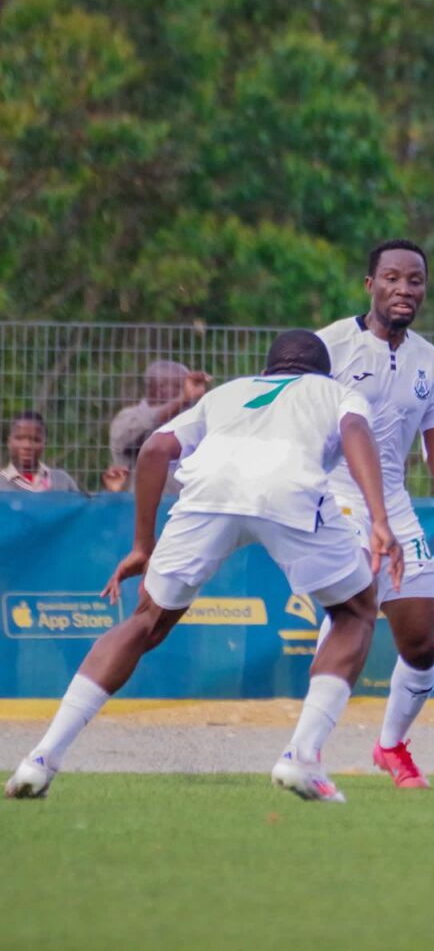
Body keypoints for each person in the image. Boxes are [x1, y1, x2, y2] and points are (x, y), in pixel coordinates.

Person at [5, 330, 402, 803]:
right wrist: (379, 519)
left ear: (268, 371)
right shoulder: (336, 392)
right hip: (289, 490)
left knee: (146, 621)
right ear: (323, 373)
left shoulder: (228, 393)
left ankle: (41, 758)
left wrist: (142, 544)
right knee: (355, 612)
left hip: (208, 492)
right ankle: (302, 757)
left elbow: (155, 449)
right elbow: (356, 431)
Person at [315, 240, 434, 789]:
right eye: (391, 278)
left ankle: (390, 745)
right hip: (333, 495)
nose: (404, 289)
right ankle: (307, 749)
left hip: (396, 504)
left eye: (415, 280)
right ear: (370, 285)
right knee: (352, 610)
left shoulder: (431, 363)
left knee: (424, 643)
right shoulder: (329, 346)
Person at [109, 359, 211, 493]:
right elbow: (137, 438)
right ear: (157, 389)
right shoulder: (128, 418)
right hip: (137, 502)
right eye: (180, 386)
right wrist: (182, 400)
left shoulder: (193, 421)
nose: (188, 390)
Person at [0, 410, 79, 492]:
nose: (27, 446)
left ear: (45, 444)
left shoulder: (62, 481)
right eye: (19, 438)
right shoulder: (1, 482)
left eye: (36, 440)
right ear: (9, 442)